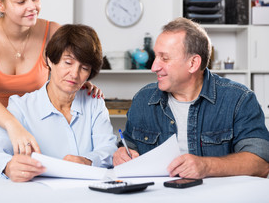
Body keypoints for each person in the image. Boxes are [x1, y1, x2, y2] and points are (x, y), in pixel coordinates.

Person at [0, 0, 102, 172]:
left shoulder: (53, 31)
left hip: (35, 120)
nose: (32, 6)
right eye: (21, 1)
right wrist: (13, 125)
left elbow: (68, 66)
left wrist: (81, 81)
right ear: (0, 4)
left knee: (35, 182)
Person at [113, 17, 269, 179]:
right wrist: (120, 154)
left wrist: (207, 166)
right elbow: (128, 146)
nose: (154, 67)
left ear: (193, 63)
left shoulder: (239, 99)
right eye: (156, 57)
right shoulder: (143, 99)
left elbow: (261, 163)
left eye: (164, 58)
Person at [0, 24, 117, 182]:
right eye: (68, 63)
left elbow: (108, 148)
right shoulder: (21, 107)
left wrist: (88, 161)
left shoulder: (94, 103)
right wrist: (8, 166)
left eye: (84, 68)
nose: (74, 74)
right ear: (50, 60)